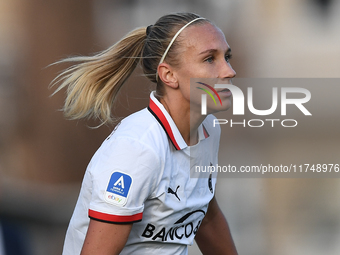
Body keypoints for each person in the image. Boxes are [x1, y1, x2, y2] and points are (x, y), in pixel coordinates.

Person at [51, 12, 238, 255]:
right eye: (210, 59)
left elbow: (205, 213)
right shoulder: (136, 148)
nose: (229, 71)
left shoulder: (209, 129)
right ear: (168, 75)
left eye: (227, 57)